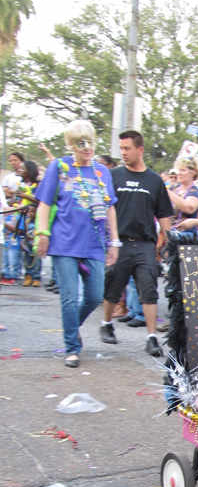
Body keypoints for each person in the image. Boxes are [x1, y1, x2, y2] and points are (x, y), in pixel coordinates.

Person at [34, 119, 119, 368]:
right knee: (69, 299)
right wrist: (42, 233)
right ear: (71, 145)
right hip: (64, 242)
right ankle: (72, 347)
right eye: (81, 143)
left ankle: (73, 325)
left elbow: (110, 206)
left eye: (90, 142)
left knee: (94, 296)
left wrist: (114, 241)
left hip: (93, 243)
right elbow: (45, 203)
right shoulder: (58, 167)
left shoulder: (102, 171)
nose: (87, 147)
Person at [101, 130, 174, 357]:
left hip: (145, 244)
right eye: (121, 148)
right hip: (119, 242)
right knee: (113, 285)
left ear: (139, 149)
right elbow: (103, 208)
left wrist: (169, 242)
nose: (123, 153)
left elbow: (164, 215)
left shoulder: (154, 180)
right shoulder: (113, 176)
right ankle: (106, 324)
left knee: (149, 290)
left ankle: (151, 338)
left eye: (127, 148)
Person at [13, 160, 40, 286]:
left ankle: (36, 276)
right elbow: (18, 200)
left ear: (29, 170)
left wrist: (25, 196)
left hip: (35, 219)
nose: (19, 169)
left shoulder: (38, 184)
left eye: (22, 168)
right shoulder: (21, 184)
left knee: (35, 248)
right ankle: (27, 275)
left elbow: (40, 200)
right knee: (25, 247)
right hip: (22, 218)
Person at [167, 156, 198, 232]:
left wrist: (167, 192)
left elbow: (188, 208)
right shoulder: (174, 188)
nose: (179, 173)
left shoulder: (194, 192)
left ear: (192, 172)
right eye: (178, 170)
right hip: (169, 231)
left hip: (185, 235)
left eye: (182, 170)